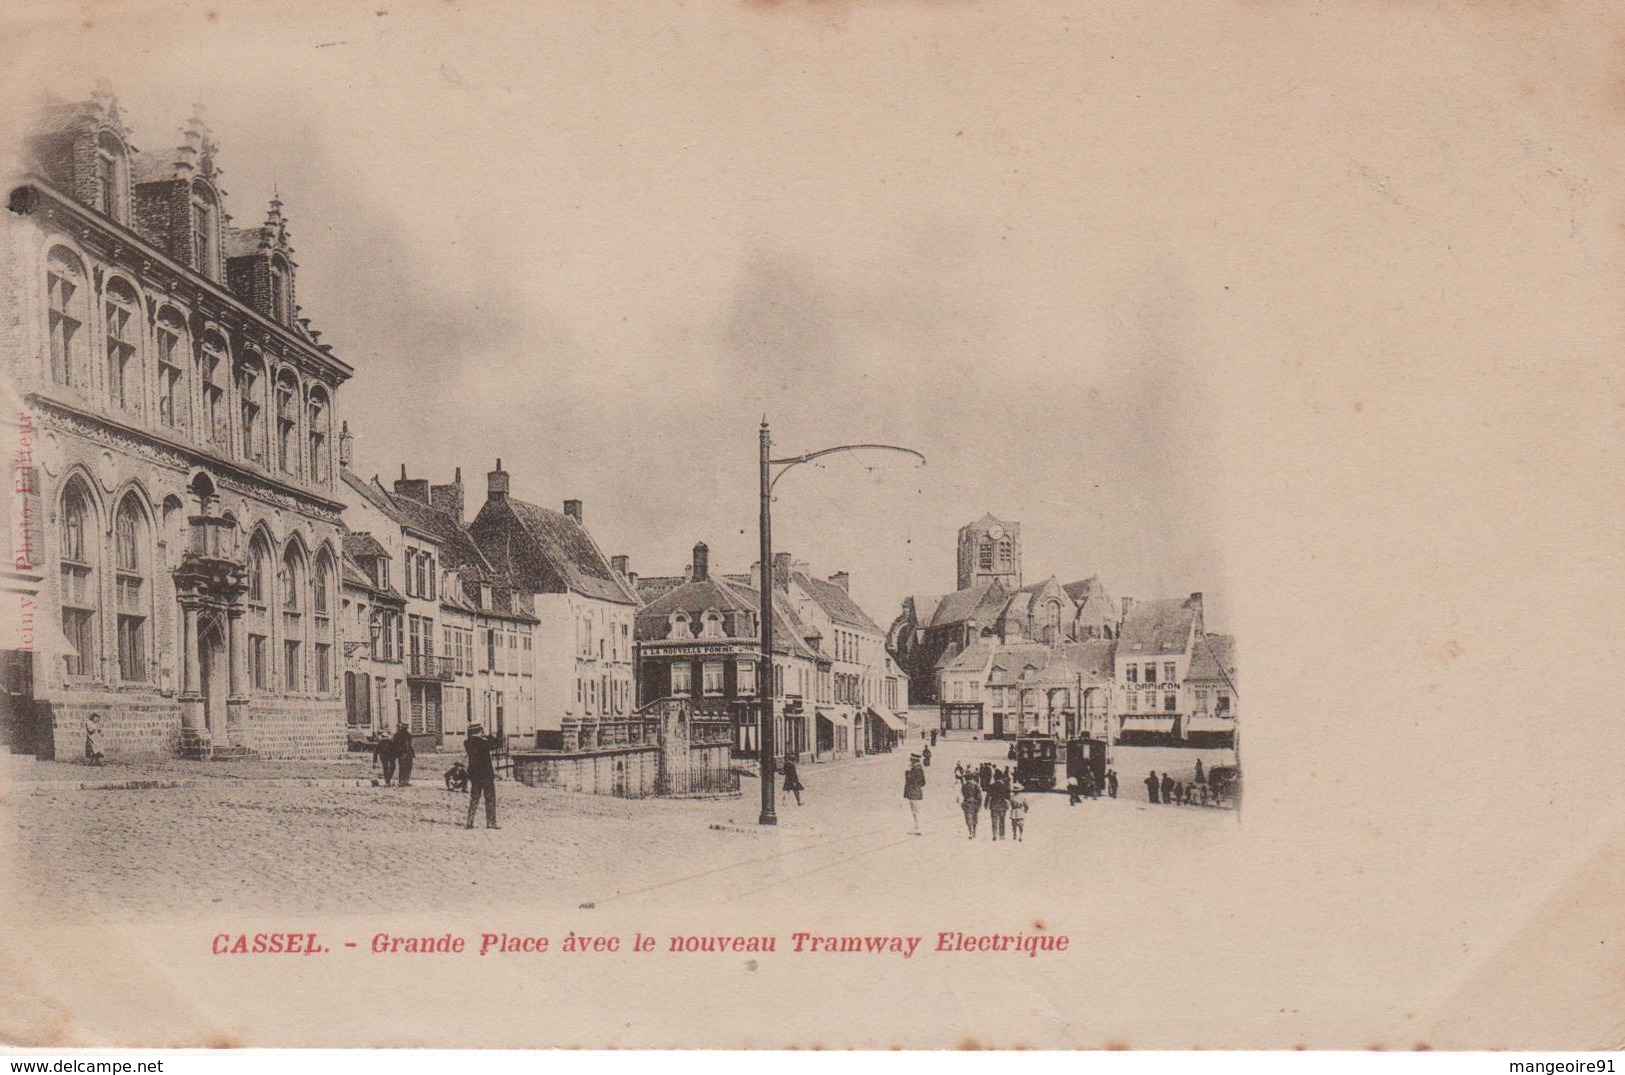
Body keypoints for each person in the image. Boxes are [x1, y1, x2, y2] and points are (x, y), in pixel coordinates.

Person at [464, 723, 500, 829]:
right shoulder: (484, 743)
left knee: (474, 798)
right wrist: (491, 735)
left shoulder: (467, 743)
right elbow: (495, 743)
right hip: (486, 775)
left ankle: (469, 822)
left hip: (474, 775)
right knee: (490, 798)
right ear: (481, 731)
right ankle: (491, 822)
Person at [903, 755, 926, 835]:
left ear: (913, 760)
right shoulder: (919, 769)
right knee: (916, 810)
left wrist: (907, 772)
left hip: (913, 792)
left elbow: (909, 779)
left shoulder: (915, 769)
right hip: (917, 792)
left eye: (911, 760)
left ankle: (918, 828)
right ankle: (917, 827)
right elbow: (923, 782)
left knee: (915, 811)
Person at [986, 774, 1011, 840]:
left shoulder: (991, 786)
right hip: (1002, 805)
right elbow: (1008, 797)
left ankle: (995, 834)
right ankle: (1002, 835)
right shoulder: (1005, 786)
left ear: (994, 778)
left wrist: (986, 804)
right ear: (1001, 778)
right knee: (1002, 820)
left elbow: (988, 796)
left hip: (993, 805)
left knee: (994, 821)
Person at [958, 773, 983, 839]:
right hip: (974, 803)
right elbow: (980, 797)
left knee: (968, 819)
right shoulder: (976, 786)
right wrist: (979, 804)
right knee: (974, 818)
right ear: (972, 779)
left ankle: (970, 832)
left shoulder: (963, 786)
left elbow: (963, 794)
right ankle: (974, 831)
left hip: (967, 803)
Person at [391, 722, 416, 787]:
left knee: (408, 767)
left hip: (408, 753)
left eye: (406, 726)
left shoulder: (409, 735)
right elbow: (394, 745)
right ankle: (402, 781)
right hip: (401, 753)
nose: (405, 727)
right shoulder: (397, 735)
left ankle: (406, 781)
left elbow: (409, 744)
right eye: (404, 726)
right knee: (402, 767)